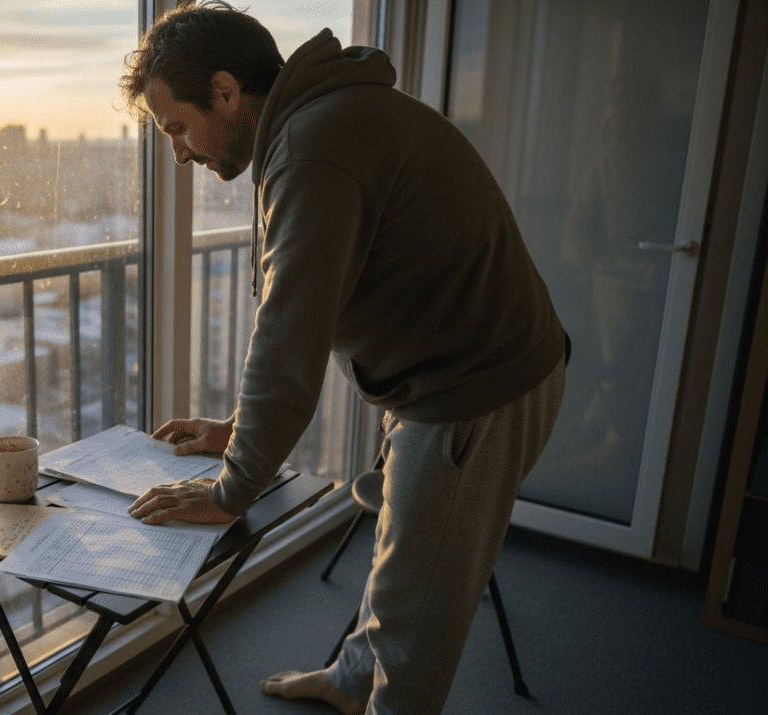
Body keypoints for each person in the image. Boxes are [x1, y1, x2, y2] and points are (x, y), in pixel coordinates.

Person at [119, 2, 568, 714]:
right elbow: (308, 310)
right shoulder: (325, 116)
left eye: (177, 126)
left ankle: (383, 693)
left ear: (227, 92)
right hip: (447, 372)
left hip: (474, 388)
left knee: (419, 617)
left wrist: (230, 489)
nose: (178, 152)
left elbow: (288, 334)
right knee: (401, 557)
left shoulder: (312, 150)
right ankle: (353, 679)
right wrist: (241, 427)